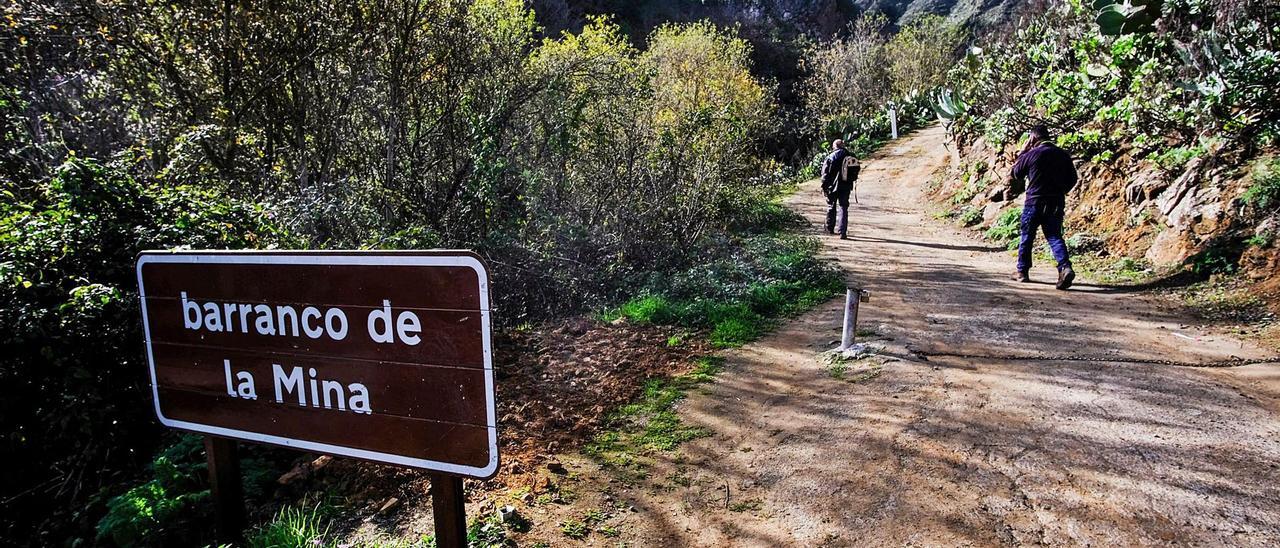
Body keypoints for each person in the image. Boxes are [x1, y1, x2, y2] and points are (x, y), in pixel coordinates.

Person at [1009, 125, 1077, 290]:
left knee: (1027, 236)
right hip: (1055, 203)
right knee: (1054, 236)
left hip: (1034, 202)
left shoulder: (1032, 154)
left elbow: (1015, 173)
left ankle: (1022, 272)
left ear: (1032, 138)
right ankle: (1065, 267)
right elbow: (1073, 179)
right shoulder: (1062, 154)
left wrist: (1023, 152)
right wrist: (1061, 191)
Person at [820, 139, 860, 239]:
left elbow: (825, 174)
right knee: (843, 207)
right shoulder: (851, 155)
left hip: (832, 186)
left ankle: (830, 228)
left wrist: (824, 186)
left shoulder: (830, 157)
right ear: (843, 145)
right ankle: (842, 232)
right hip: (846, 186)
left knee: (831, 206)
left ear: (834, 147)